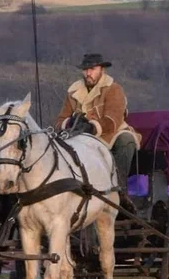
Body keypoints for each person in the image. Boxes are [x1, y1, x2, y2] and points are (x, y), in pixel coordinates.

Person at [55, 53, 142, 186]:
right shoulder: (73, 92)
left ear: (102, 70)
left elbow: (113, 120)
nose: (88, 73)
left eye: (92, 69)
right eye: (85, 70)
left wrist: (91, 127)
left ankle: (119, 188)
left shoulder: (113, 89)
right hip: (79, 136)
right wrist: (71, 122)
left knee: (126, 140)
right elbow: (60, 120)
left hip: (111, 134)